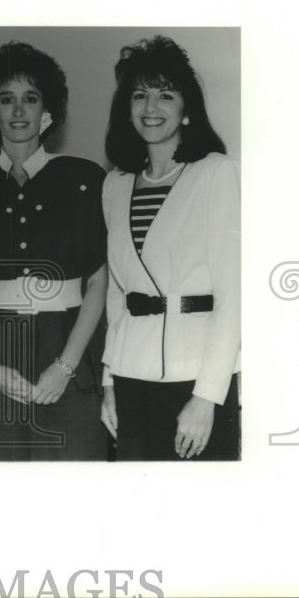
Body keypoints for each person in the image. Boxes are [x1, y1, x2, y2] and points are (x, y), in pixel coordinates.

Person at [0, 42, 109, 461]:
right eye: (7, 100)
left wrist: (66, 366)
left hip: (67, 350)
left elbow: (98, 281)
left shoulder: (84, 179)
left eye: (30, 99)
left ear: (48, 113)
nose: (18, 111)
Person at [100, 35, 240, 461]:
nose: (150, 107)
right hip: (129, 378)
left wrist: (207, 397)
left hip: (196, 379)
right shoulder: (115, 184)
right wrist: (108, 382)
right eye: (139, 95)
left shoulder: (217, 174)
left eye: (165, 95)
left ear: (186, 110)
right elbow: (116, 295)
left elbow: (234, 296)